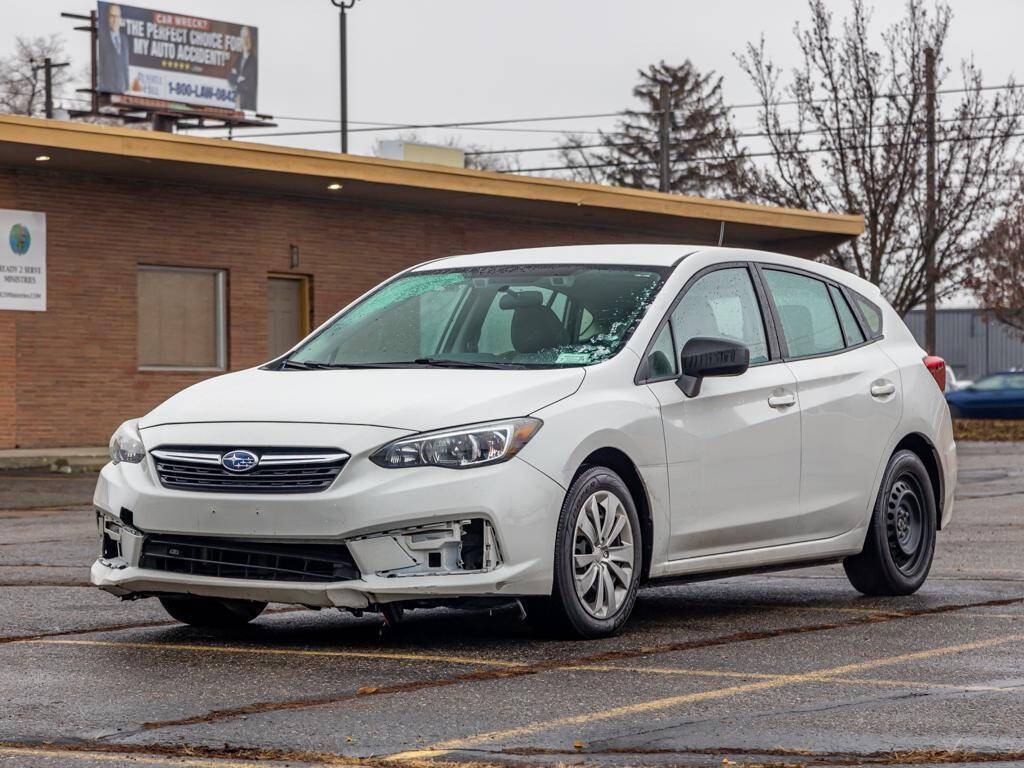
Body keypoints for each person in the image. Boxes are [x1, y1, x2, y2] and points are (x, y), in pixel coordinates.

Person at [98, 3, 131, 95]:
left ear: (120, 19)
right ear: (108, 18)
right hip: (107, 88)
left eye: (117, 17)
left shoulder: (124, 40)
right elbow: (101, 65)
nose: (115, 20)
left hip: (121, 88)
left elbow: (125, 65)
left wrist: (127, 87)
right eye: (112, 16)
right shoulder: (103, 38)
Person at [229, 26, 258, 111]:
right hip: (236, 104)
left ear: (251, 39)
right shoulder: (239, 59)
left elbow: (250, 86)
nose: (245, 41)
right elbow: (230, 77)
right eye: (243, 37)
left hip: (248, 106)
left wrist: (237, 81)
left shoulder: (254, 62)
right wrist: (238, 79)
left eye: (247, 37)